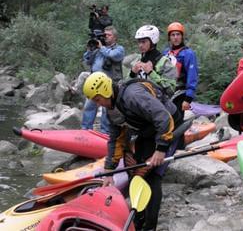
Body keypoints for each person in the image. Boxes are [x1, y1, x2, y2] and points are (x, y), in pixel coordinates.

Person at [82, 72, 182, 230]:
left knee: (150, 173)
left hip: (169, 122)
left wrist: (161, 148)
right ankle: (139, 216)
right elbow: (116, 140)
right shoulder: (111, 109)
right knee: (135, 167)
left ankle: (150, 226)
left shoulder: (132, 96)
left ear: (105, 91)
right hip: (147, 128)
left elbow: (162, 117)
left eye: (97, 99)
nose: (97, 104)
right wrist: (109, 171)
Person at [81, 26, 125, 134]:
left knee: (107, 110)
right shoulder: (98, 50)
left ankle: (105, 133)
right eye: (104, 35)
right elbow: (87, 61)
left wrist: (101, 48)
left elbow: (114, 56)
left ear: (115, 37)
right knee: (89, 106)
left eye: (108, 35)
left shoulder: (119, 49)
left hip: (109, 85)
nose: (105, 37)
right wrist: (90, 49)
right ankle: (86, 130)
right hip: (94, 84)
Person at [163, 22, 199, 149]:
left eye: (178, 34)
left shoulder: (188, 53)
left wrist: (188, 98)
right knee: (166, 122)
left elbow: (192, 76)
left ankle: (178, 148)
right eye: (173, 35)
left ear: (182, 36)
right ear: (169, 37)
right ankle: (165, 146)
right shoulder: (166, 53)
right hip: (167, 93)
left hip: (180, 93)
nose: (175, 37)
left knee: (177, 122)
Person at [130, 25, 177, 97]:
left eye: (143, 42)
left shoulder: (165, 62)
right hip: (139, 102)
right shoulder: (138, 60)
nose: (140, 45)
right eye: (139, 42)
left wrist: (151, 73)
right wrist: (132, 74)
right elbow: (125, 85)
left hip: (158, 104)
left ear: (153, 41)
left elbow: (171, 91)